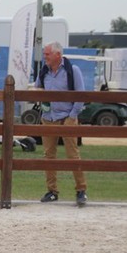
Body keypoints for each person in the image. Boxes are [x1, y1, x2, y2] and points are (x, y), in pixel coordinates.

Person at [34, 41, 88, 206]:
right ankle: (52, 191)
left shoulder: (73, 71)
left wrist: (72, 117)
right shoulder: (44, 71)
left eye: (47, 54)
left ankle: (81, 190)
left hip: (67, 117)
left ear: (58, 54)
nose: (45, 57)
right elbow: (38, 88)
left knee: (72, 155)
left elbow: (80, 95)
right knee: (49, 156)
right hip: (48, 117)